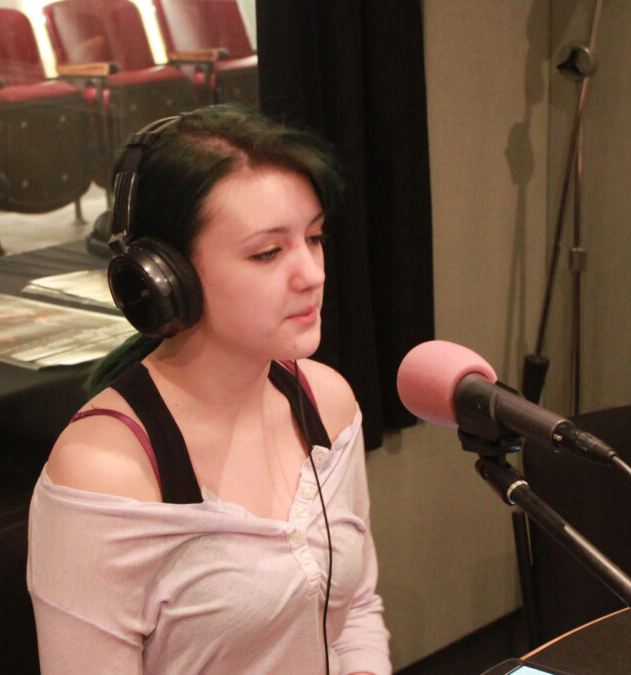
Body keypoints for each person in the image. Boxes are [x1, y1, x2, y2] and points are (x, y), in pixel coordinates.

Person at [27, 104, 391, 675]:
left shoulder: (328, 402)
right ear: (163, 278)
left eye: (314, 238)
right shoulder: (105, 471)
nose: (312, 273)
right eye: (268, 252)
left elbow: (357, 611)